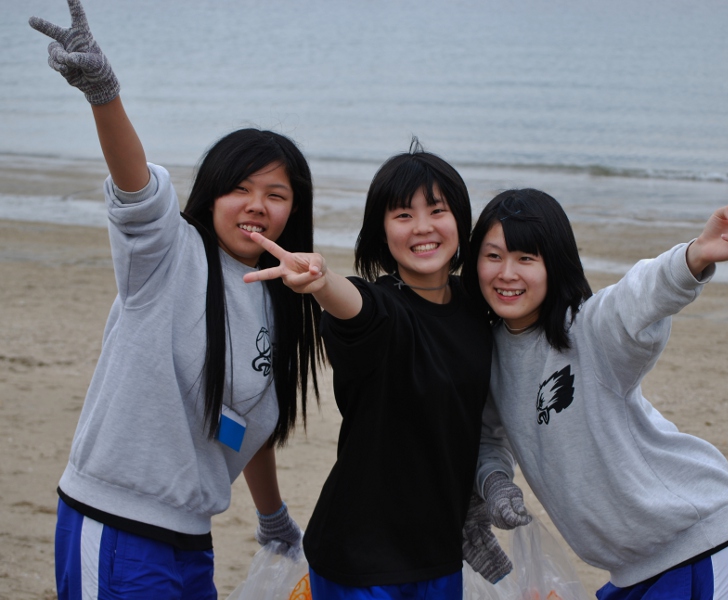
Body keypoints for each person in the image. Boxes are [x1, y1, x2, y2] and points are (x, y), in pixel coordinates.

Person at [29, 1, 324, 598]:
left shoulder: (281, 296)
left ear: (294, 210)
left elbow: (244, 421)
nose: (257, 205)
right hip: (117, 523)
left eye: (276, 194)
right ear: (212, 194)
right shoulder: (169, 255)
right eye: (240, 188)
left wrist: (271, 516)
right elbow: (136, 189)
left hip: (191, 540)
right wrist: (104, 95)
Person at [461, 189, 728, 599]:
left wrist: (694, 256)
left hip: (700, 544)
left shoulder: (587, 329)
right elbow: (488, 437)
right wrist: (494, 483)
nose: (506, 273)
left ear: (555, 263)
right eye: (493, 256)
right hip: (628, 571)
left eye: (526, 258)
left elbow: (638, 296)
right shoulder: (488, 353)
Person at [243, 145, 509, 598]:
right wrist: (322, 282)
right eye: (403, 215)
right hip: (358, 559)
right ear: (381, 233)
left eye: (437, 211)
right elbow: (356, 308)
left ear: (461, 222)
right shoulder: (381, 307)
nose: (422, 227)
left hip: (441, 552)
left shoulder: (477, 306)